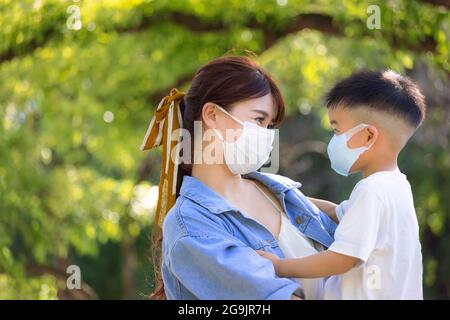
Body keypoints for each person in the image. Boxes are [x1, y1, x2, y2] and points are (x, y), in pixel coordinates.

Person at [141, 55, 337, 300]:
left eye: (268, 125)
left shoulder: (281, 191)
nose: (265, 135)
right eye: (258, 119)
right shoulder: (190, 225)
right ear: (212, 115)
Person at [258, 70, 426, 299]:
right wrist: (275, 192)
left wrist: (279, 266)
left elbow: (343, 259)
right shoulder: (396, 187)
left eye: (337, 130)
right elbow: (334, 211)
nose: (333, 140)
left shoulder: (373, 190)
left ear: (368, 136)